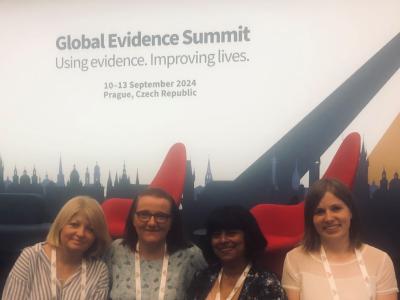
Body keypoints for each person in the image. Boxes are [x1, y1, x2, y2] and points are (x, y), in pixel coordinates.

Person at [282, 178, 398, 300]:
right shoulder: (294, 260)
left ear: (350, 212)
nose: (328, 218)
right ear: (311, 219)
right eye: (319, 212)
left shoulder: (380, 261)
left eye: (336, 208)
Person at [2, 195, 111, 300]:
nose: (81, 233)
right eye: (74, 224)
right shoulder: (30, 258)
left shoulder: (99, 271)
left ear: (96, 236)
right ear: (60, 225)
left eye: (90, 229)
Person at [106, 187, 206, 300]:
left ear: (171, 222)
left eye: (161, 216)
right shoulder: (116, 250)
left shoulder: (191, 255)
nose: (152, 223)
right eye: (144, 215)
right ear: (133, 219)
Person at [186, 205, 286, 300]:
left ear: (247, 237)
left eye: (231, 233)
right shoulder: (202, 277)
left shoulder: (267, 284)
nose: (223, 240)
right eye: (216, 235)